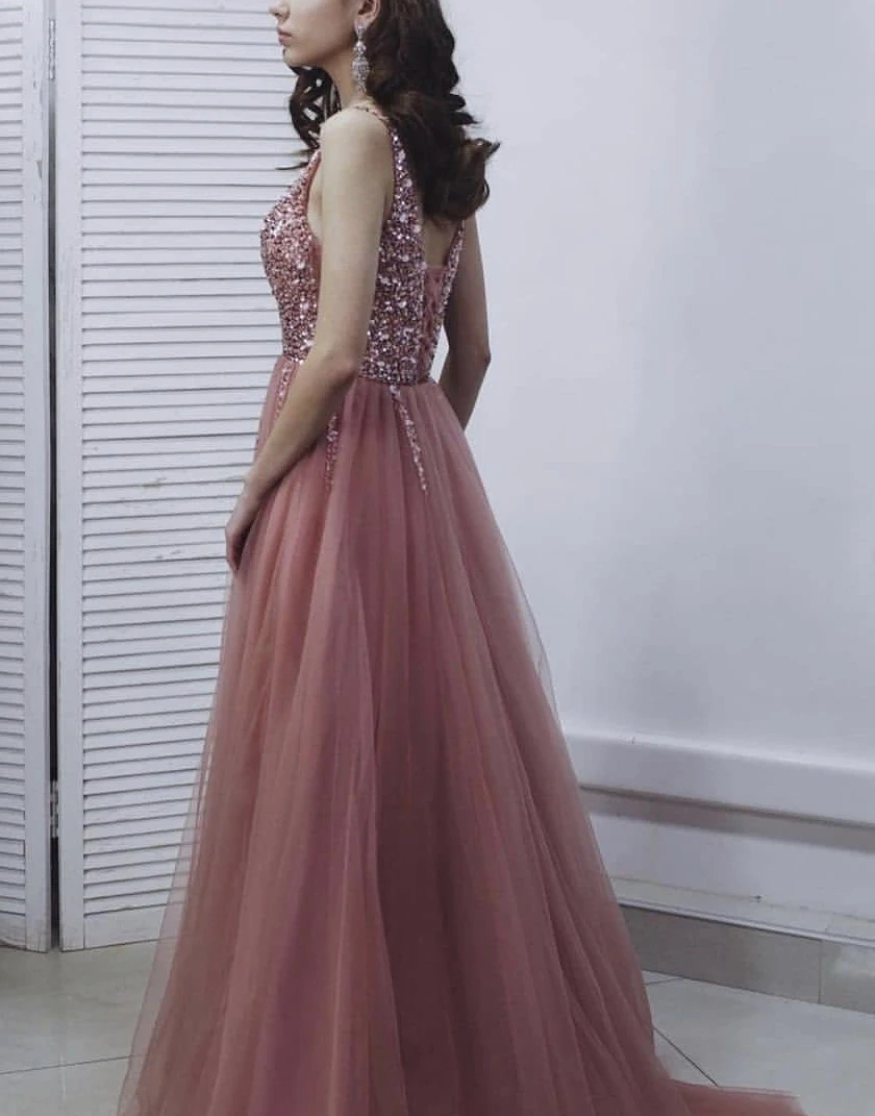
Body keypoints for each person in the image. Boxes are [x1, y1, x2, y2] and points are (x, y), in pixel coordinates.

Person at [118, 2, 807, 1114]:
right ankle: (438, 1044)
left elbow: (333, 355)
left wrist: (253, 492)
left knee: (320, 770)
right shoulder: (441, 149)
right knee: (416, 767)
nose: (275, 6)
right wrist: (419, 477)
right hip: (415, 472)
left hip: (326, 475)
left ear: (368, 6)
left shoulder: (355, 136)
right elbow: (472, 352)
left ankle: (335, 1065)